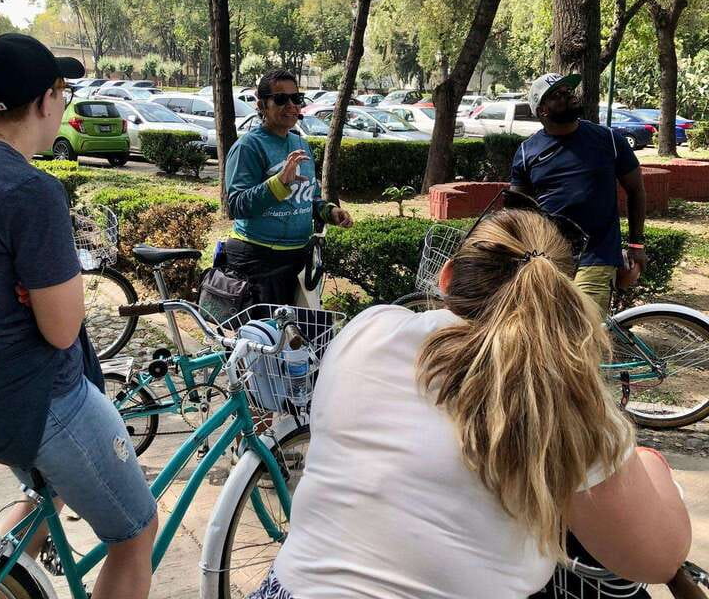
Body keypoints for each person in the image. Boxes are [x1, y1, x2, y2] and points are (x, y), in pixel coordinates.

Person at [248, 210, 690, 599]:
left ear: (446, 277)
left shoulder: (369, 330)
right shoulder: (565, 398)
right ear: (561, 300)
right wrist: (650, 466)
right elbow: (656, 560)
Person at [0, 34, 157, 599]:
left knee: (50, 494)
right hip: (35, 400)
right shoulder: (28, 188)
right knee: (136, 534)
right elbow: (63, 329)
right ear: (46, 100)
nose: (65, 103)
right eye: (63, 91)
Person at [510, 73, 647, 314]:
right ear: (542, 110)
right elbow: (517, 209)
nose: (568, 96)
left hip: (597, 254)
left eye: (568, 91)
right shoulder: (526, 152)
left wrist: (636, 243)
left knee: (583, 324)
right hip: (548, 256)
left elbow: (636, 190)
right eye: (558, 94)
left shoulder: (608, 140)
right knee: (549, 326)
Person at [224, 69, 353, 305]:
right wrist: (279, 182)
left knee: (304, 327)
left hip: (299, 261)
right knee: (268, 329)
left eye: (296, 98)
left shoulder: (300, 143)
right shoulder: (248, 147)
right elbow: (236, 205)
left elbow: (310, 198)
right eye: (281, 99)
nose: (291, 105)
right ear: (262, 105)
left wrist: (330, 211)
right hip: (259, 262)